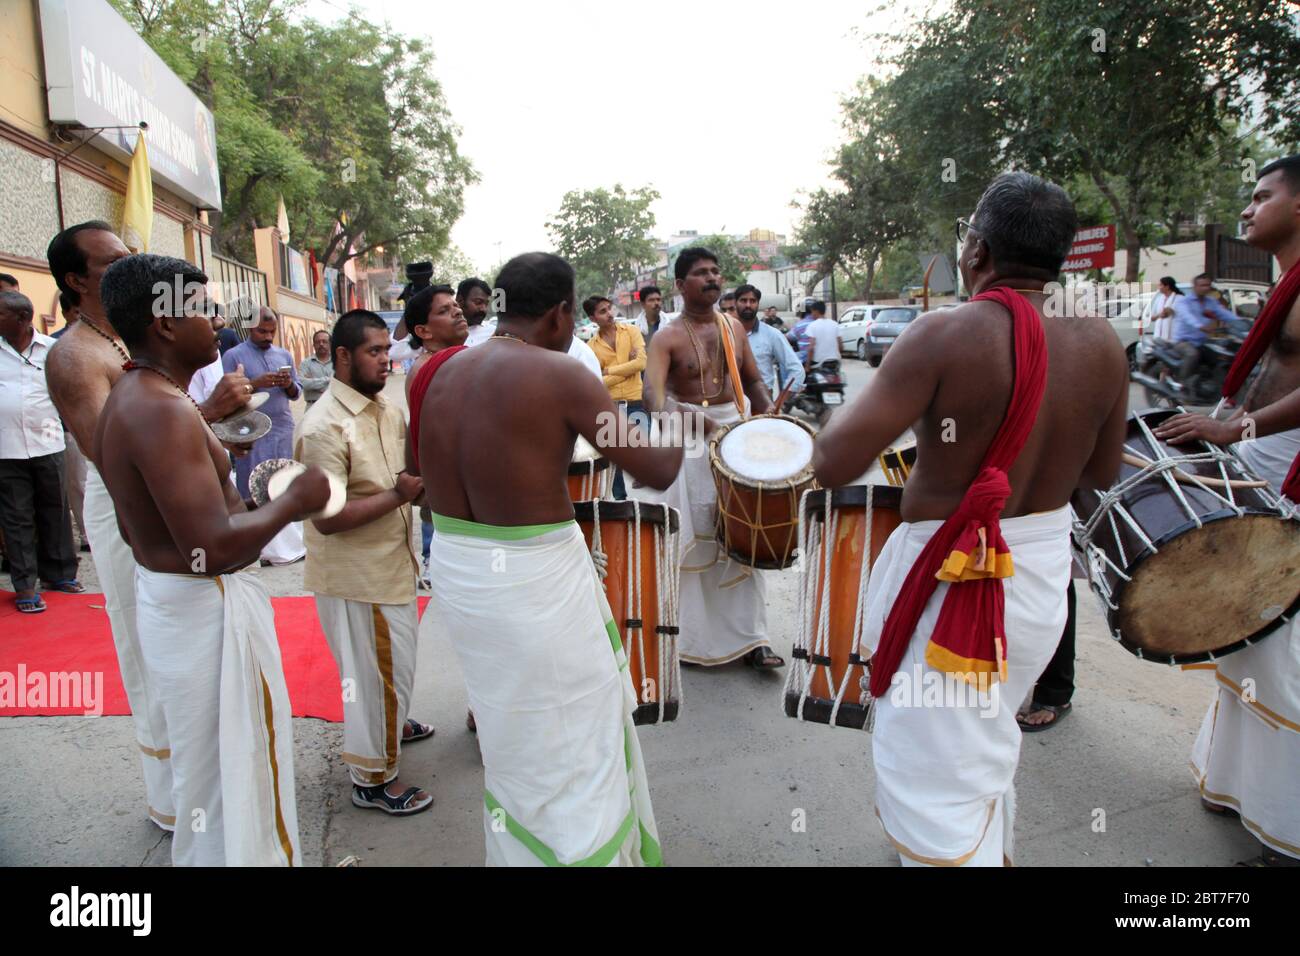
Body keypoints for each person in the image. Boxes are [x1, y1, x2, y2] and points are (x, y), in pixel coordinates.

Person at [813, 172, 1128, 866]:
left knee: (934, 767)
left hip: (950, 580)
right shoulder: (1102, 344)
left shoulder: (942, 335)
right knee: (978, 743)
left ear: (978, 251)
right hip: (1040, 579)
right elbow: (1100, 477)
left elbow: (835, 462)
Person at [417, 252, 682, 866]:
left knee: (514, 732)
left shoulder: (439, 374)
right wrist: (673, 420)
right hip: (533, 574)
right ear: (562, 314)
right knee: (571, 736)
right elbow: (654, 469)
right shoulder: (561, 375)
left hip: (460, 568)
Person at [97, 253, 329, 866]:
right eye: (205, 308)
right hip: (204, 608)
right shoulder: (160, 409)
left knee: (217, 779)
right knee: (236, 775)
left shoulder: (140, 394)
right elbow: (210, 551)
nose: (218, 321)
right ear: (166, 324)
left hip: (181, 605)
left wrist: (248, 497)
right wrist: (293, 502)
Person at [46, 221, 250, 831]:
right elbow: (112, 455)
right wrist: (205, 417)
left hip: (176, 488)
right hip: (128, 509)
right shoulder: (74, 355)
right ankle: (177, 798)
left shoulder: (128, 344)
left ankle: (217, 780)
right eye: (112, 263)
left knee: (201, 640)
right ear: (77, 281)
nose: (129, 267)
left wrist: (206, 445)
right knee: (149, 647)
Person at [1153, 154, 1300, 866]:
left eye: (1262, 196)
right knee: (1246, 631)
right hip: (1262, 467)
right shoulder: (1285, 283)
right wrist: (1218, 422)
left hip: (1289, 478)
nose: (1247, 210)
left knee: (1279, 647)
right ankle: (1239, 787)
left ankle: (1287, 832)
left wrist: (1230, 429)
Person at [296, 309, 435, 816]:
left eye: (386, 350)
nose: (385, 360)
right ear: (342, 357)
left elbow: (403, 479)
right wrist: (400, 495)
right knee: (375, 675)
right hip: (357, 577)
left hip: (391, 565)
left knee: (390, 668)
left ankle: (390, 728)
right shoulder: (323, 426)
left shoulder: (385, 411)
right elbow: (327, 518)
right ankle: (373, 780)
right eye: (374, 352)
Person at [635, 247, 782, 669]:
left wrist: (769, 414)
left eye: (716, 271)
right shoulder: (666, 338)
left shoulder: (734, 327)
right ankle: (691, 641)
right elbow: (653, 396)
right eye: (701, 273)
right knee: (695, 539)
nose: (712, 278)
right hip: (688, 442)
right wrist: (692, 419)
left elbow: (753, 380)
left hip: (735, 436)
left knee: (744, 533)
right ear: (680, 286)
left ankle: (754, 639)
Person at [0, 291, 82, 613]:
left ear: (22, 319)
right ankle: (25, 586)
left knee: (55, 511)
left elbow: (69, 394)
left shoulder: (52, 351)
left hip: (48, 444)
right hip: (6, 449)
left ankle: (60, 574)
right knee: (16, 517)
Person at [222, 307, 305, 565]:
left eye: (272, 332)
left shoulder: (283, 354)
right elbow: (226, 394)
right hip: (252, 428)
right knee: (254, 484)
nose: (268, 336)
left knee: (282, 481)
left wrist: (287, 384)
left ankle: (288, 545)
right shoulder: (234, 356)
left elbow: (297, 392)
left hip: (282, 426)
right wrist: (255, 383)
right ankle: (260, 548)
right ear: (249, 328)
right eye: (262, 331)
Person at [403, 284, 469, 584]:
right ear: (423, 331)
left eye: (456, 305)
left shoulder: (454, 360)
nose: (457, 311)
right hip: (456, 501)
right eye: (444, 310)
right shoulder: (432, 368)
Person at [585, 295, 648, 500]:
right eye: (603, 311)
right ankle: (620, 500)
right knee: (614, 457)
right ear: (593, 318)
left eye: (610, 308)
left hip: (635, 400)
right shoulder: (591, 347)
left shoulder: (631, 331)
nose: (610, 314)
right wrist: (625, 371)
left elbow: (640, 364)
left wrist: (609, 370)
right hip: (610, 404)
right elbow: (597, 382)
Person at [50, 292, 89, 550]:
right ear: (65, 314)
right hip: (68, 428)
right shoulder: (54, 346)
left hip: (99, 427)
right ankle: (86, 535)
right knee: (76, 483)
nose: (80, 318)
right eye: (76, 313)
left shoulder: (99, 342)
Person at [736, 283, 803, 400]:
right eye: (743, 300)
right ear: (735, 303)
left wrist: (779, 402)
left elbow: (797, 369)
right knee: (695, 418)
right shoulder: (725, 332)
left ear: (758, 304)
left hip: (762, 402)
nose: (748, 305)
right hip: (731, 402)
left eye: (752, 301)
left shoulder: (772, 334)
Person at [1168, 273, 1236, 388]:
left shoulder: (1211, 302)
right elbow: (1187, 316)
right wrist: (1199, 326)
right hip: (1183, 342)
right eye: (1202, 285)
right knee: (1192, 354)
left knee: (1222, 354)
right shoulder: (1184, 302)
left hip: (1202, 341)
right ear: (1195, 287)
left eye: (1208, 285)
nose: (1206, 288)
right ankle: (1182, 384)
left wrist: (1241, 322)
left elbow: (1224, 313)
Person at [298, 329, 334, 406]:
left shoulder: (338, 362)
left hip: (334, 406)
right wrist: (328, 380)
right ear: (313, 345)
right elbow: (302, 384)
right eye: (318, 342)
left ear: (330, 344)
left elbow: (340, 384)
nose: (321, 344)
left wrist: (312, 381)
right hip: (312, 406)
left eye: (324, 341)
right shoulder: (305, 364)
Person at [457, 277, 496, 346]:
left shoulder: (494, 334)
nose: (483, 309)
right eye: (478, 302)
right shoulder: (444, 333)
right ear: (460, 301)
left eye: (486, 304)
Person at [804, 299, 840, 369]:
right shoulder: (835, 324)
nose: (811, 314)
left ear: (816, 311)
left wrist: (807, 366)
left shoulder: (812, 325)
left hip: (818, 362)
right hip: (835, 361)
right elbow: (841, 346)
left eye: (812, 312)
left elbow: (811, 348)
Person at [1148, 276, 1182, 341]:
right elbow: (1152, 318)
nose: (1159, 288)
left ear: (1167, 287)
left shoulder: (1180, 299)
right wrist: (1159, 315)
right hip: (1159, 337)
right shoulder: (1159, 299)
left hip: (1174, 337)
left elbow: (1183, 316)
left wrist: (1171, 311)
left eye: (1161, 285)